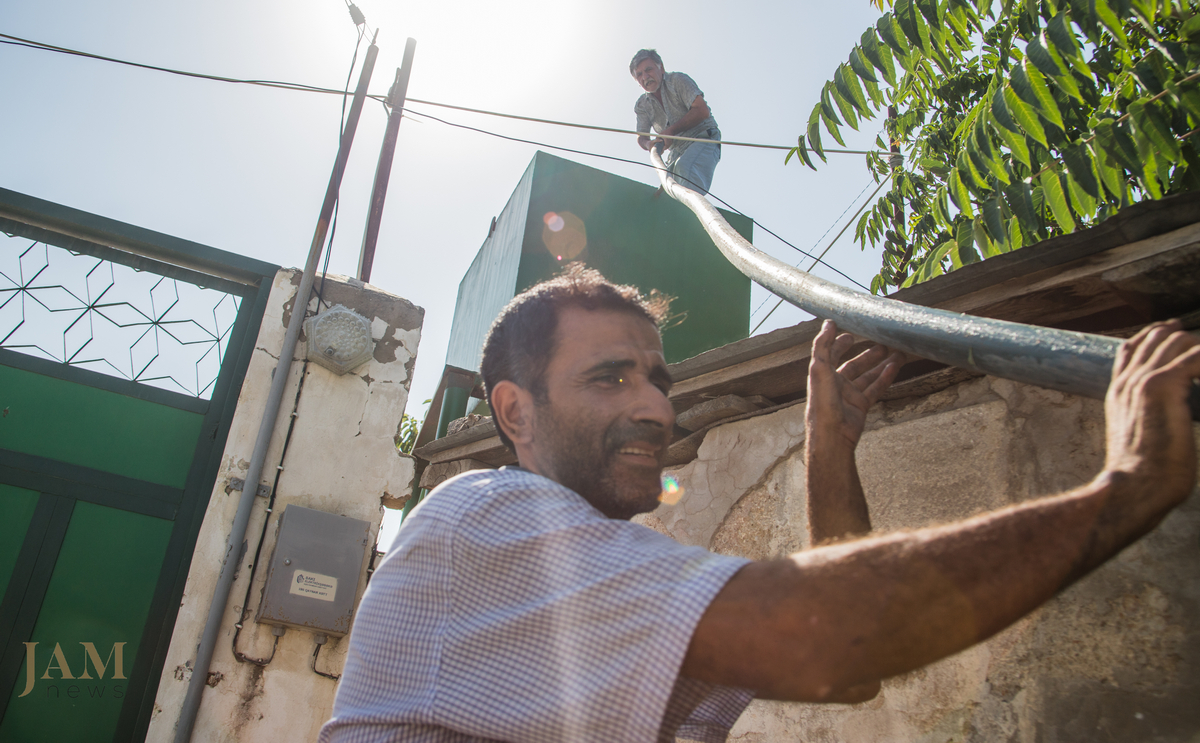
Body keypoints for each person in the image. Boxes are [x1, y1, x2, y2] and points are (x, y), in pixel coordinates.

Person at [321, 265, 1200, 742]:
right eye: (610, 377)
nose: (656, 407)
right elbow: (827, 630)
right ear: (515, 410)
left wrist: (828, 451)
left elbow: (845, 670)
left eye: (659, 380)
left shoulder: (580, 568)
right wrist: (1130, 484)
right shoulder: (485, 519)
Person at [631, 49, 721, 195]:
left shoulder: (678, 80)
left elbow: (702, 110)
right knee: (665, 191)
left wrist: (671, 131)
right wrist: (649, 144)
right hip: (677, 152)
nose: (645, 77)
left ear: (661, 68)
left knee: (685, 169)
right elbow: (642, 137)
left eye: (648, 69)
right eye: (639, 75)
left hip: (703, 137)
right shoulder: (642, 105)